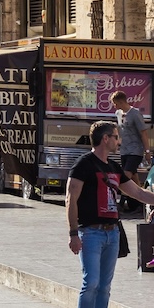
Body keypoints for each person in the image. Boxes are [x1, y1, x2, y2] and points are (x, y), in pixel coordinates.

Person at [66, 120, 154, 308]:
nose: (119, 141)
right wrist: (73, 233)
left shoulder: (114, 167)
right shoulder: (84, 165)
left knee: (104, 286)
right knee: (91, 283)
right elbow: (70, 199)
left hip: (112, 233)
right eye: (116, 137)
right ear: (105, 139)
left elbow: (138, 192)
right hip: (90, 233)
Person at [112, 90, 150, 184]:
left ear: (121, 102)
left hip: (135, 151)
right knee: (133, 177)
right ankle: (139, 197)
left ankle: (121, 197)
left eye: (115, 104)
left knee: (125, 176)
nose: (114, 106)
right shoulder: (118, 113)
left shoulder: (135, 114)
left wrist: (147, 151)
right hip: (124, 150)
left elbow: (143, 133)